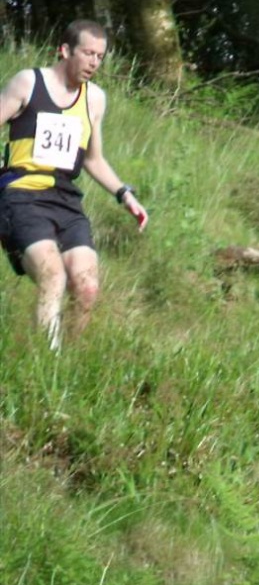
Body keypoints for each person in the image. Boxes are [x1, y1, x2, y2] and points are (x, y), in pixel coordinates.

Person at [0, 19, 148, 350]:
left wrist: (124, 194)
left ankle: (68, 360)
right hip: (22, 195)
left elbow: (94, 159)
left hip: (65, 199)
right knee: (53, 275)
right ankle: (44, 362)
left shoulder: (95, 99)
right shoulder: (28, 82)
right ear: (65, 50)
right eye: (88, 53)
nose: (94, 62)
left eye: (100, 56)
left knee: (87, 286)